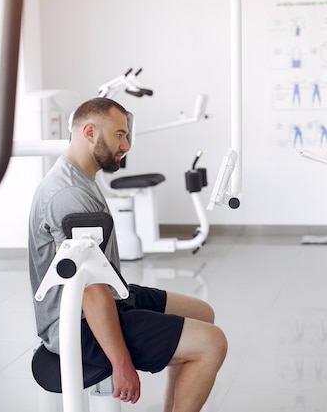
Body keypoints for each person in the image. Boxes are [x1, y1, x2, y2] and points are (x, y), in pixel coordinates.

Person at [28, 97, 227, 412]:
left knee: (202, 313)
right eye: (119, 134)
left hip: (109, 299)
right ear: (90, 131)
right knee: (212, 344)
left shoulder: (79, 177)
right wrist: (121, 364)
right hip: (78, 325)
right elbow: (90, 292)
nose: (127, 144)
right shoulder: (70, 196)